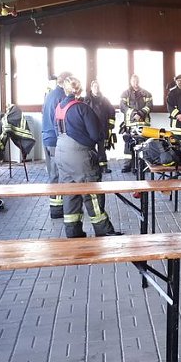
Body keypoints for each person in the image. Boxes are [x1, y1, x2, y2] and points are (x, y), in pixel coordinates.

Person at [55, 77, 122, 238]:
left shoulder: (59, 107)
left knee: (70, 193)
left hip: (61, 153)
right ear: (79, 90)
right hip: (80, 156)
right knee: (92, 192)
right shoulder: (82, 108)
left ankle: (73, 232)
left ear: (65, 90)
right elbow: (95, 134)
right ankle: (104, 231)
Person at [41, 71, 71, 220]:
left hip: (46, 138)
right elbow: (60, 121)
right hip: (55, 140)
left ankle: (56, 206)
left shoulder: (50, 94)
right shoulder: (61, 97)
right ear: (65, 82)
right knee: (58, 174)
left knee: (53, 173)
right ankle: (57, 209)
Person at [120, 74, 153, 174]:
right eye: (134, 81)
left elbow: (150, 106)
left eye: (137, 81)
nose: (136, 83)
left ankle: (143, 165)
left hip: (143, 124)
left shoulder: (146, 93)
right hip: (130, 124)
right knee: (128, 145)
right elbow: (123, 107)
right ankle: (127, 165)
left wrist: (140, 113)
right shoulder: (125, 93)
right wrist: (134, 114)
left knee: (143, 145)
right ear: (131, 81)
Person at [84, 80, 116, 174]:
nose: (96, 88)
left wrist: (110, 125)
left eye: (97, 86)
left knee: (102, 148)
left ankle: (103, 167)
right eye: (94, 86)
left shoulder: (105, 100)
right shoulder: (87, 99)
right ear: (91, 88)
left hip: (102, 128)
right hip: (90, 129)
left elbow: (111, 112)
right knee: (90, 148)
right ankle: (93, 166)